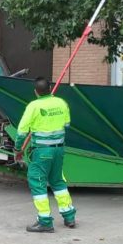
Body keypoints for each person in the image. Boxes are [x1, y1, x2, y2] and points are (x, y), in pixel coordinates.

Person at [13, 77, 77, 233]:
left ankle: (45, 221)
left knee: (37, 182)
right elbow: (67, 124)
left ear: (36, 92)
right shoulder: (62, 103)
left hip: (42, 151)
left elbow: (22, 132)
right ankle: (69, 216)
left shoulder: (33, 106)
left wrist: (18, 149)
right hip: (59, 149)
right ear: (50, 88)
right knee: (58, 181)